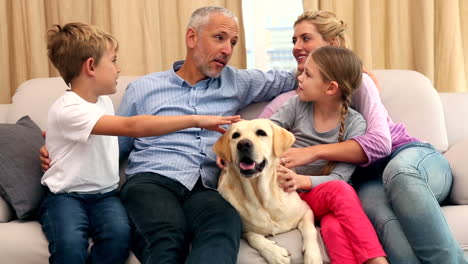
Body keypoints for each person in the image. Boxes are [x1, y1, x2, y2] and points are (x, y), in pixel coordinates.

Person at [40, 7, 297, 264]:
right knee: (167, 237)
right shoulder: (144, 88)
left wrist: (315, 49)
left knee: (224, 226)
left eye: (233, 42)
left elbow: (297, 78)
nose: (228, 50)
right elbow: (117, 142)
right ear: (192, 38)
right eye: (219, 38)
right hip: (153, 182)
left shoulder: (239, 82)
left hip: (206, 187)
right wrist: (62, 152)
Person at [267, 10, 466, 264]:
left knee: (401, 174)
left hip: (406, 156)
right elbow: (254, 131)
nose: (297, 47)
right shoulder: (295, 99)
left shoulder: (359, 83)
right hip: (367, 178)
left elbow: (381, 144)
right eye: (293, 41)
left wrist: (312, 152)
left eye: (305, 38)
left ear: (333, 45)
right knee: (380, 217)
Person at [269, 46, 387, 264]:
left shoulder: (355, 124)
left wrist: (301, 180)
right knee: (336, 207)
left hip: (316, 195)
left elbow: (340, 178)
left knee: (333, 223)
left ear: (330, 88)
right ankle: (377, 261)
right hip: (287, 194)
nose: (300, 78)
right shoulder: (297, 105)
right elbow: (266, 130)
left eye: (308, 74)